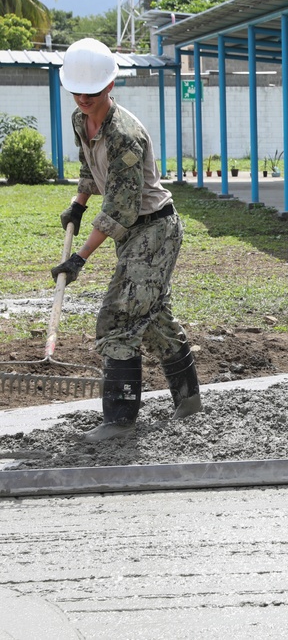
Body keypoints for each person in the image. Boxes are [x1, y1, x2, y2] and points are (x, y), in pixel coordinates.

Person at [51, 38, 203, 442]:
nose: (83, 98)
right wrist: (78, 205)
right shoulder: (80, 120)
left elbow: (120, 209)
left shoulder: (125, 136)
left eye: (92, 91)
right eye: (77, 91)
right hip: (134, 232)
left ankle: (120, 421)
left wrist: (79, 258)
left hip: (154, 230)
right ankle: (190, 402)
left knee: (118, 318)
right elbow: (87, 168)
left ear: (110, 86)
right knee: (152, 318)